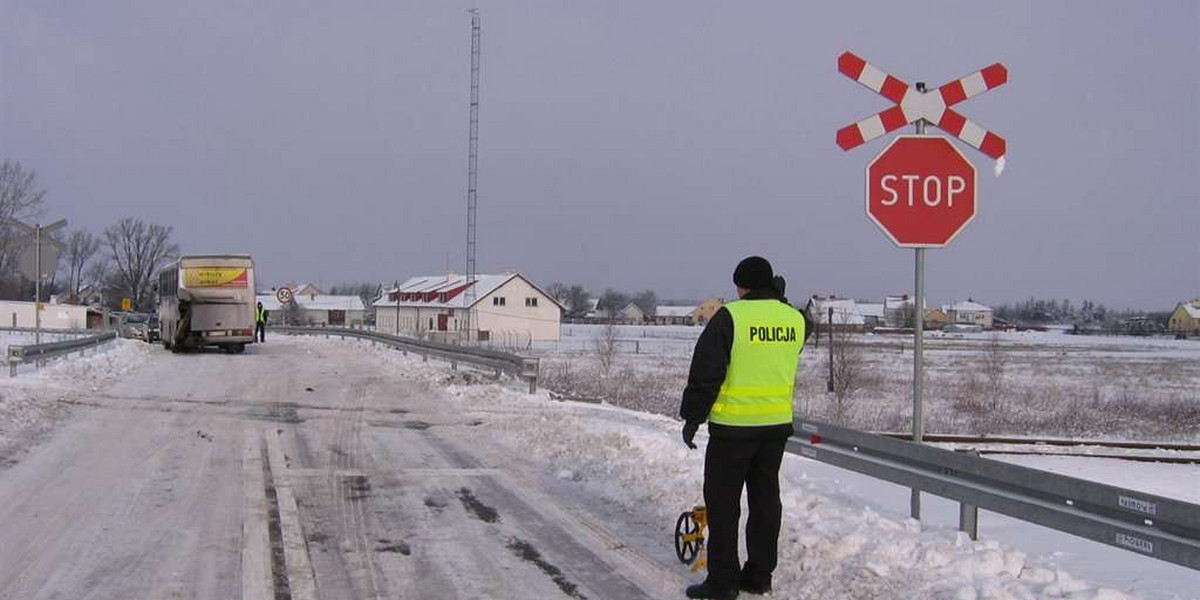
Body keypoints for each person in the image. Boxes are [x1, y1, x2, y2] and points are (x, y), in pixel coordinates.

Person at [679, 256, 814, 599]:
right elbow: (801, 333)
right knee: (766, 500)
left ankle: (723, 582)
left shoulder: (731, 316)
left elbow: (707, 371)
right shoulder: (795, 319)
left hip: (733, 429)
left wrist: (693, 416)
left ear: (741, 285)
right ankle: (758, 575)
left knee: (724, 504)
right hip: (775, 428)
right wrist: (780, 301)